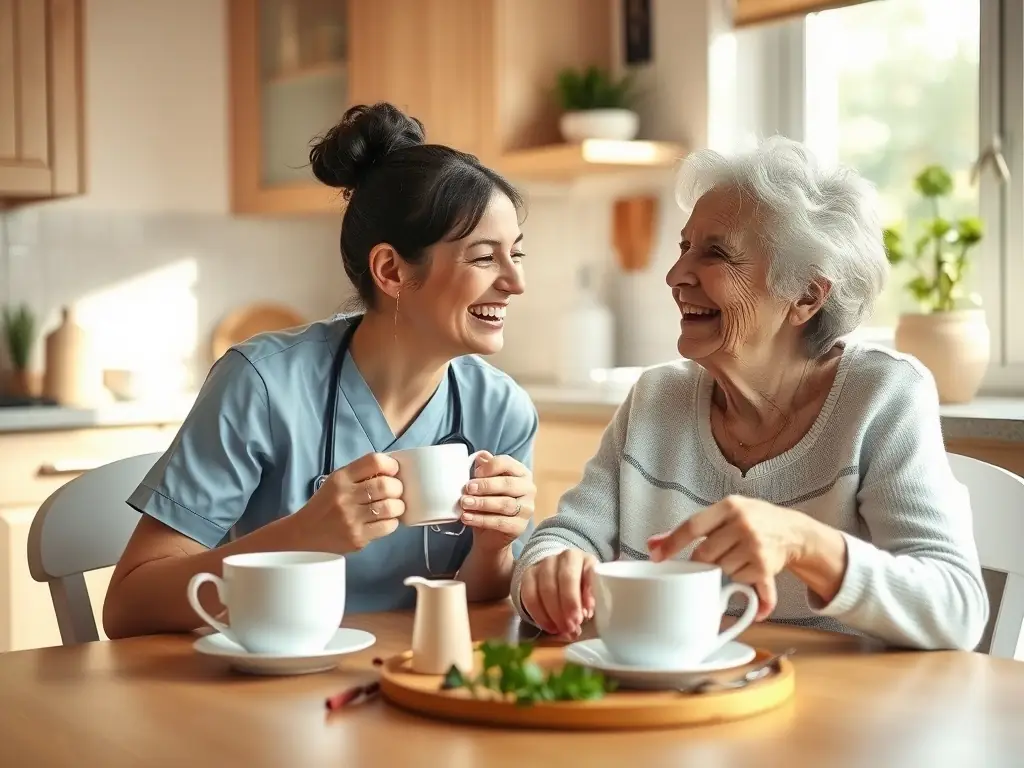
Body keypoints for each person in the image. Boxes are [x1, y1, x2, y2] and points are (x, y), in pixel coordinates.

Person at [512, 136, 989, 652]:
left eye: (715, 253)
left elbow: (957, 608)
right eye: (683, 248)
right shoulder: (656, 399)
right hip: (671, 712)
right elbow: (564, 538)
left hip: (829, 718)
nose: (674, 276)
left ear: (805, 294)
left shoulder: (881, 396)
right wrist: (549, 571)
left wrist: (805, 544)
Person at [103, 102, 538, 639]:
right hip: (276, 695)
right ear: (392, 270)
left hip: (416, 689)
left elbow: (482, 600)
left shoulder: (502, 410)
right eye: (483, 258)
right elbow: (129, 606)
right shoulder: (261, 383)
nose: (515, 282)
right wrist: (305, 535)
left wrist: (497, 546)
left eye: (517, 255)